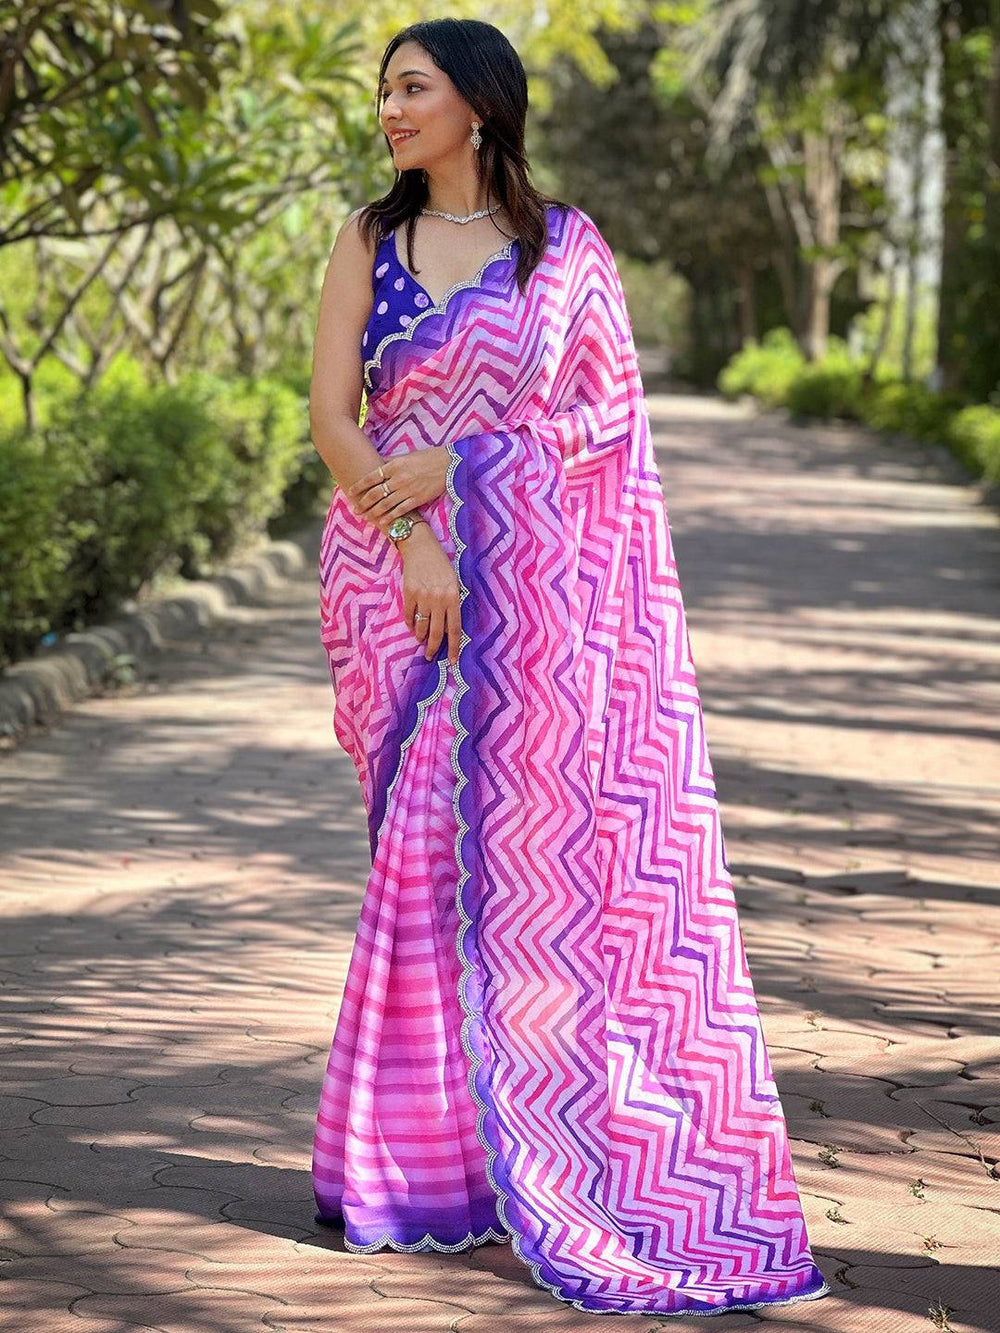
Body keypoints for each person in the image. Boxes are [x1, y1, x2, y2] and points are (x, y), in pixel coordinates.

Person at [308, 17, 829, 1319]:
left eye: (412, 87)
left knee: (513, 874)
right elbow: (332, 416)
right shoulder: (368, 240)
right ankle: (413, 1172)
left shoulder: (565, 248)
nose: (390, 109)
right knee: (418, 858)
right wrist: (422, 539)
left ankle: (529, 1148)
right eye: (384, 91)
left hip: (537, 596)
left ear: (480, 102)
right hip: (393, 577)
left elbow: (607, 420)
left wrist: (471, 467)